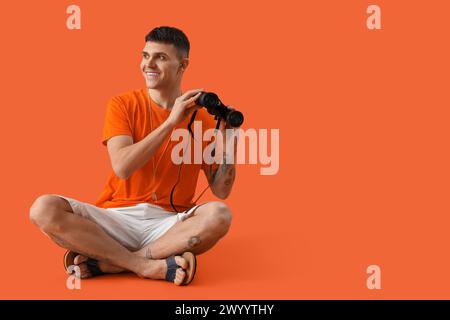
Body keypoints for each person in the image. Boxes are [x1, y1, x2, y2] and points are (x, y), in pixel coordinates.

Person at [29, 26, 236, 286]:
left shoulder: (203, 118)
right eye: (145, 55)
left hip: (170, 222)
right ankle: (146, 265)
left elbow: (221, 191)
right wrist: (171, 122)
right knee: (43, 208)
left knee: (220, 215)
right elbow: (123, 167)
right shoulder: (122, 104)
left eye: (160, 57)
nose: (148, 64)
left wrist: (229, 139)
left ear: (182, 65)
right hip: (116, 218)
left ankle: (109, 262)